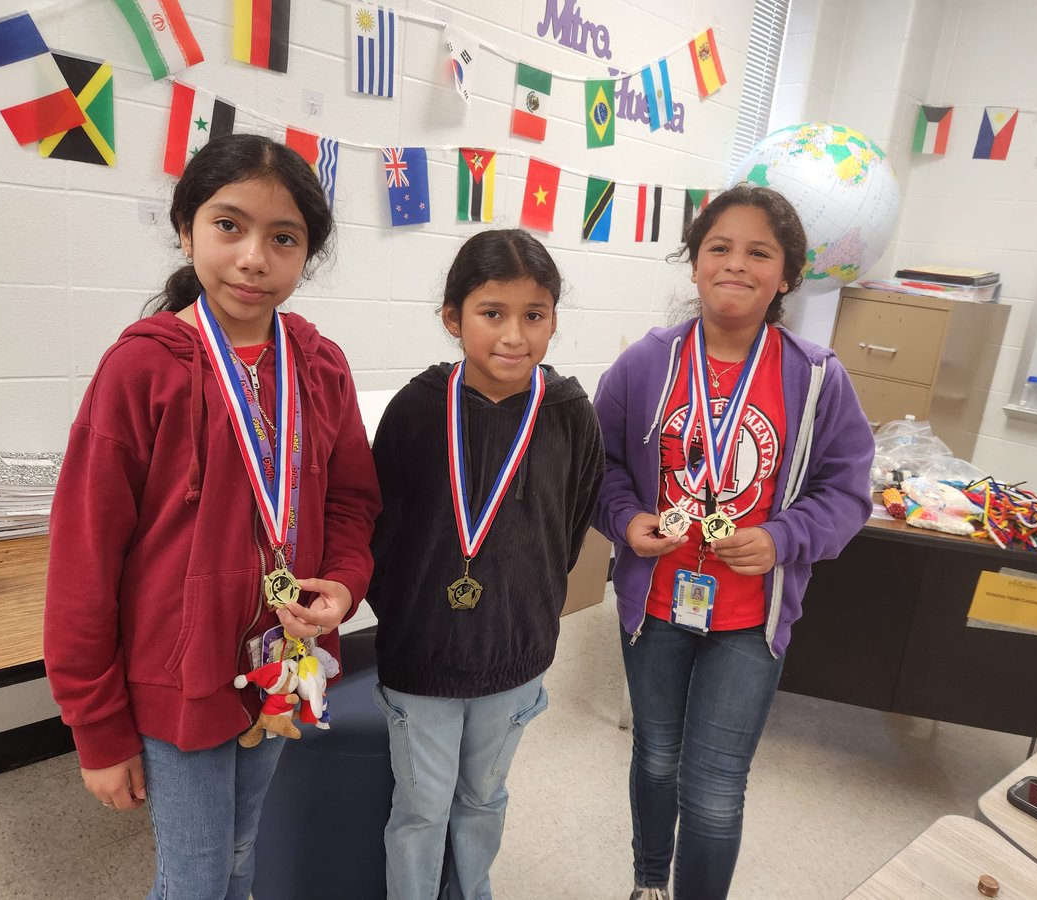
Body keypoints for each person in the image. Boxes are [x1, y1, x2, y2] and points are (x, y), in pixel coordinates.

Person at [43, 133, 381, 900]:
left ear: (306, 255)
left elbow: (353, 501)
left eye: (283, 238)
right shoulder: (142, 367)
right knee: (194, 876)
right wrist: (97, 727)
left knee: (238, 855)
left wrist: (344, 583)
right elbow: (84, 558)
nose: (254, 258)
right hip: (179, 677)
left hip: (285, 666)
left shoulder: (320, 365)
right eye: (229, 226)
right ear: (186, 226)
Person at [593, 185, 875, 900]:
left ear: (787, 275)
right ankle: (648, 884)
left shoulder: (816, 378)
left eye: (759, 252)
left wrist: (783, 538)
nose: (735, 264)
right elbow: (596, 466)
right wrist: (626, 520)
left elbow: (846, 492)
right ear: (694, 264)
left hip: (750, 617)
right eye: (718, 247)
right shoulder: (645, 364)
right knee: (656, 757)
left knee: (715, 786)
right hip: (656, 603)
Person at [367, 229, 605, 900]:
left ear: (554, 318)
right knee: (420, 811)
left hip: (515, 650)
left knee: (483, 799)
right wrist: (414, 611)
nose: (514, 334)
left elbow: (574, 517)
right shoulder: (416, 410)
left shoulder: (568, 414)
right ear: (453, 319)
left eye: (535, 315)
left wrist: (529, 601)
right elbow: (380, 526)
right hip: (423, 656)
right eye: (492, 313)